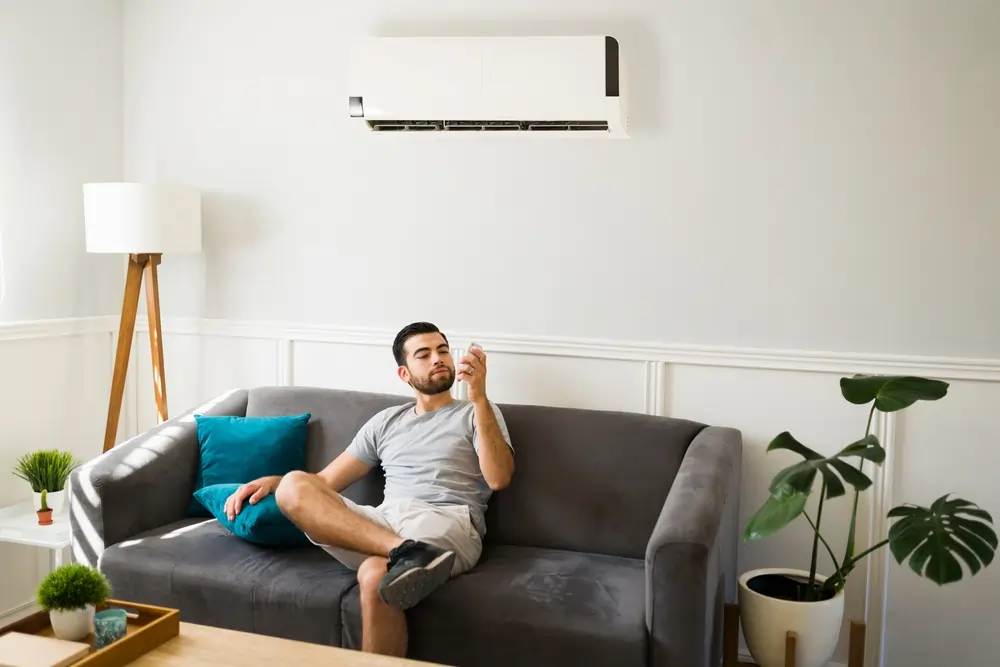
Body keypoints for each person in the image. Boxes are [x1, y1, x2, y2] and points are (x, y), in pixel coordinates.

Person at [222, 322, 515, 656]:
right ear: (404, 374)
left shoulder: (477, 413)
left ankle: (411, 552)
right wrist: (274, 482)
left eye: (443, 350)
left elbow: (498, 479)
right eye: (424, 354)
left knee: (376, 573)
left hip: (447, 520)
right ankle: (408, 552)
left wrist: (479, 399)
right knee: (294, 488)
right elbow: (324, 483)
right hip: (385, 522)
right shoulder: (386, 421)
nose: (438, 359)